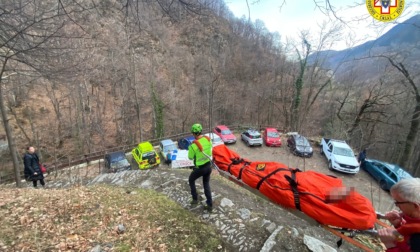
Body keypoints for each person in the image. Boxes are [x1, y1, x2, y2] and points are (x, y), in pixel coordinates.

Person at [378, 178, 420, 251]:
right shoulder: (414, 224)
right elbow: (405, 241)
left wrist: (390, 245)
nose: (397, 205)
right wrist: (398, 225)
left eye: (398, 202)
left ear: (415, 206)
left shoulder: (417, 239)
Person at [188, 123, 213, 211]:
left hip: (200, 168)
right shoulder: (208, 140)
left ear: (194, 133)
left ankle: (195, 199)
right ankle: (209, 204)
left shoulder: (193, 146)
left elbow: (190, 157)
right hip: (208, 166)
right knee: (206, 184)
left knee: (191, 180)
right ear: (201, 131)